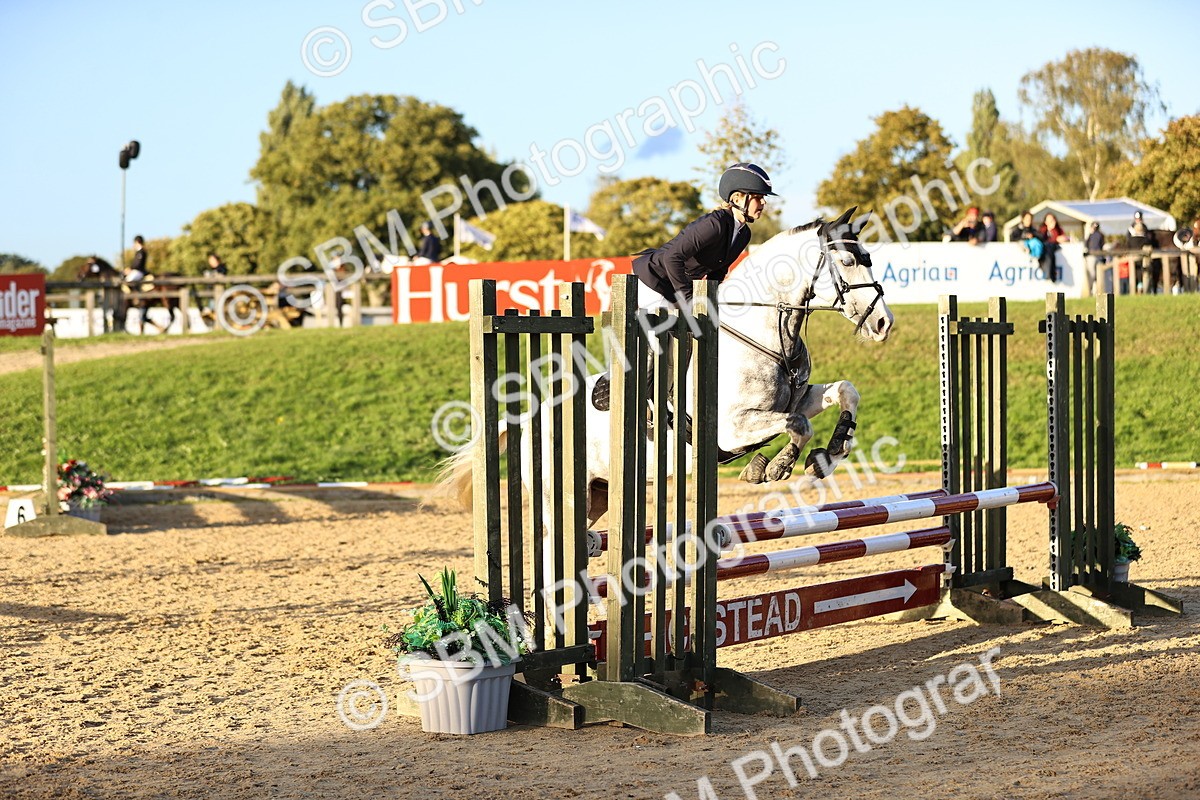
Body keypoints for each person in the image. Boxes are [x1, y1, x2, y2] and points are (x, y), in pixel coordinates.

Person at [632, 162, 772, 311]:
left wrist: (712, 300)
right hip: (653, 281)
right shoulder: (714, 224)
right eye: (758, 197)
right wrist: (688, 299)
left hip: (675, 288)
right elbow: (671, 257)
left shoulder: (744, 234)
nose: (763, 202)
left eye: (763, 197)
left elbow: (718, 272)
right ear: (737, 199)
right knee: (672, 331)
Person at [1039, 213, 1067, 282]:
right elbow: (1042, 239)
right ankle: (1049, 273)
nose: (1051, 221)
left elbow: (1062, 237)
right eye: (1049, 220)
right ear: (1045, 222)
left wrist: (1053, 231)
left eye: (1052, 219)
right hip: (1046, 249)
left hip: (1055, 248)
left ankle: (1051, 274)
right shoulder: (1043, 230)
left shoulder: (1058, 229)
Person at [1084, 222, 1107, 296]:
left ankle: (1094, 291)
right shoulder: (1098, 235)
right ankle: (1094, 291)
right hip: (1096, 256)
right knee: (1094, 275)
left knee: (1093, 275)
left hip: (1095, 256)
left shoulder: (1095, 235)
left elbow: (1086, 245)